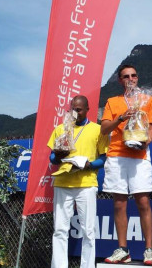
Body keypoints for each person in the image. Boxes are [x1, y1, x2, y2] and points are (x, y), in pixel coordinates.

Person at [100, 64, 152, 265]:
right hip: (116, 155)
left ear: (137, 78)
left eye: (133, 75)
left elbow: (151, 128)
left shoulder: (148, 100)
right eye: (126, 76)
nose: (130, 79)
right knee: (119, 203)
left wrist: (146, 141)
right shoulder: (112, 102)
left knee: (143, 202)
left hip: (139, 155)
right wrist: (121, 118)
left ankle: (149, 250)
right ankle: (123, 249)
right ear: (120, 80)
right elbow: (104, 129)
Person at [47, 95, 109, 268]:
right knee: (60, 230)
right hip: (63, 183)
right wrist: (58, 156)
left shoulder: (98, 130)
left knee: (88, 231)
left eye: (79, 109)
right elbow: (52, 158)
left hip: (86, 184)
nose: (75, 112)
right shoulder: (61, 129)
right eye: (72, 109)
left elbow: (104, 158)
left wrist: (89, 165)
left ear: (88, 109)